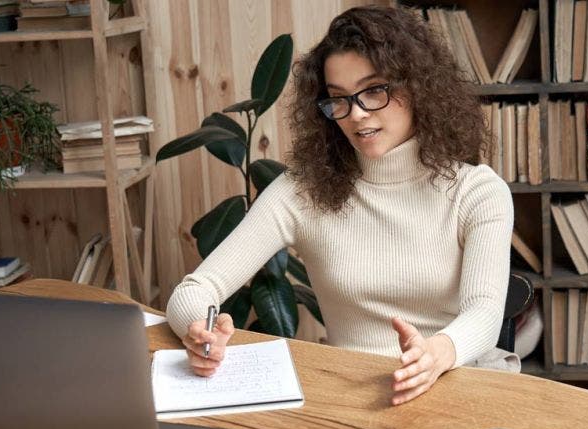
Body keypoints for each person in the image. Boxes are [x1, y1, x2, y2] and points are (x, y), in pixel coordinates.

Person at [166, 6, 515, 406]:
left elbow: (485, 312)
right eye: (338, 100)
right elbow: (195, 290)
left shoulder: (477, 192)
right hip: (351, 396)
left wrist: (435, 355)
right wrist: (199, 331)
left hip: (457, 385)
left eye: (374, 90)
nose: (357, 115)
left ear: (418, 87)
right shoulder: (301, 191)